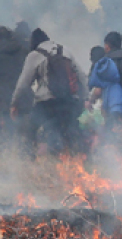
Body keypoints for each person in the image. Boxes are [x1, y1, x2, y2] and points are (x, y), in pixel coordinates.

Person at [13, 27, 85, 157]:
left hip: (47, 102)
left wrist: (15, 104)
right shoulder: (66, 51)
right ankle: (77, 158)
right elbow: (81, 76)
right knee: (70, 131)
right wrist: (85, 98)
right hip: (70, 100)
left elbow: (23, 85)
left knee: (29, 129)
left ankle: (28, 159)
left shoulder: (35, 55)